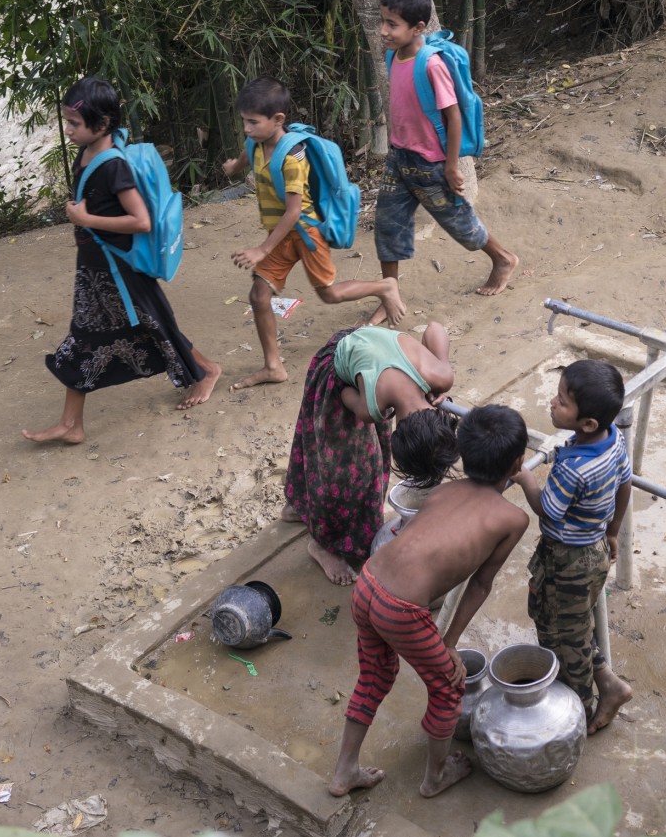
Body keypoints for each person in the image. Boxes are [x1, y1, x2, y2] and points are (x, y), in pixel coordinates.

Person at [328, 403, 532, 800]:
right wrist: (448, 642)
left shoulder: (443, 490)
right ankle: (434, 778)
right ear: (518, 463)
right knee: (448, 687)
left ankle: (344, 771)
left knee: (375, 676)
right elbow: (479, 585)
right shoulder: (512, 520)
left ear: (463, 453)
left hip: (368, 582)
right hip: (401, 610)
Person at [26, 76, 222, 443]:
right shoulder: (88, 153)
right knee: (88, 335)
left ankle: (207, 370)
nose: (68, 130)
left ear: (101, 125)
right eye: (67, 121)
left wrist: (85, 220)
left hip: (119, 269)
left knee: (152, 325)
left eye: (74, 123)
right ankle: (72, 425)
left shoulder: (113, 165)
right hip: (95, 269)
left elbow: (140, 220)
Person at [218, 77, 406, 390]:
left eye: (253, 122)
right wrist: (232, 167)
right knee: (259, 295)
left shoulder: (293, 159)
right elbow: (243, 159)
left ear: (278, 120)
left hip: (304, 233)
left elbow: (293, 212)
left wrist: (262, 249)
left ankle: (384, 286)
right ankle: (273, 366)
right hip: (280, 235)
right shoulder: (255, 142)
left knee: (328, 293)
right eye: (243, 122)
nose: (247, 129)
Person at [511, 360, 635, 734]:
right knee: (575, 626)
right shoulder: (612, 439)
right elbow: (626, 483)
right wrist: (612, 531)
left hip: (568, 561)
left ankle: (577, 710)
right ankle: (609, 683)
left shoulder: (573, 469)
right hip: (595, 547)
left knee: (562, 635)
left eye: (562, 401)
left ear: (587, 424)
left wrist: (525, 478)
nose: (552, 402)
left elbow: (547, 511)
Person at [375, 0, 518, 299]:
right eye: (382, 21)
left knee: (459, 222)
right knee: (387, 225)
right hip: (398, 158)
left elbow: (453, 117)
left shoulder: (431, 64)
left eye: (392, 24)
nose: (383, 30)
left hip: (429, 164)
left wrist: (452, 166)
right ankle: (389, 294)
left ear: (418, 28)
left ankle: (502, 258)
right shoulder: (393, 56)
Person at [283, 323, 455, 584]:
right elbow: (343, 393)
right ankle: (322, 545)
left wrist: (442, 362)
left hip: (367, 343)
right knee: (338, 468)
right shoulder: (368, 408)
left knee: (354, 458)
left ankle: (302, 508)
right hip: (336, 373)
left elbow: (435, 329)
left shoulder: (440, 375)